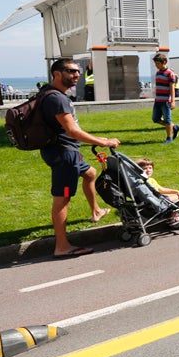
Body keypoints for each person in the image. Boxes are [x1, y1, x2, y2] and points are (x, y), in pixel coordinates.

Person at [39, 59, 120, 258]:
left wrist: (98, 139)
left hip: (66, 152)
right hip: (65, 155)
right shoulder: (57, 99)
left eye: (78, 71)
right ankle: (62, 246)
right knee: (63, 198)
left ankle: (96, 211)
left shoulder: (49, 94)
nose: (77, 75)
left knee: (91, 173)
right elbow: (72, 130)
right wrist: (104, 142)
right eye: (71, 71)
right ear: (57, 73)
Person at [136, 157, 179, 227]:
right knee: (177, 197)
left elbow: (161, 189)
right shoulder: (143, 182)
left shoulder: (151, 180)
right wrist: (175, 194)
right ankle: (173, 217)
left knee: (176, 195)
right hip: (155, 202)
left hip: (156, 198)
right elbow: (156, 193)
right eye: (145, 168)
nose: (148, 170)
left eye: (150, 168)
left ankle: (173, 214)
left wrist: (176, 191)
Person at [151, 53, 179, 143]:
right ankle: (175, 127)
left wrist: (172, 101)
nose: (156, 66)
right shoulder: (158, 72)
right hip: (158, 100)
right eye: (155, 64)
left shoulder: (170, 74)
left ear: (164, 62)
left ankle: (169, 138)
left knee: (167, 120)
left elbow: (172, 88)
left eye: (158, 64)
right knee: (155, 119)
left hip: (166, 101)